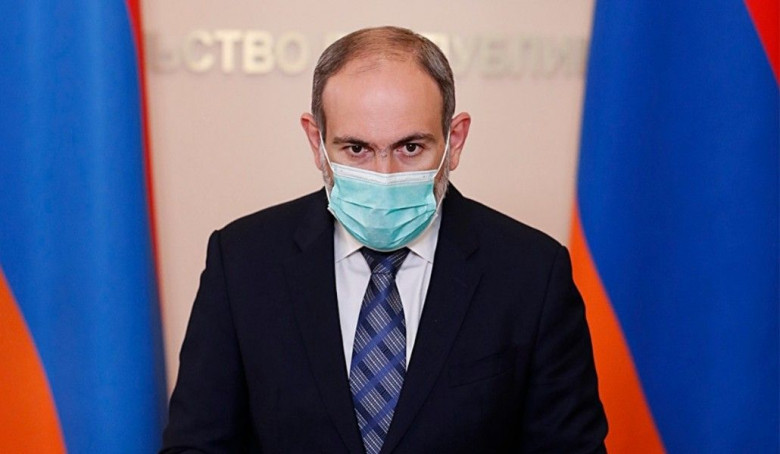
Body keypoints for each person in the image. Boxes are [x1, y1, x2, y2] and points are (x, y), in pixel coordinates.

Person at [161, 26, 607, 453]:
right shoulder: (242, 261)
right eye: (356, 149)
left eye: (410, 148)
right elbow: (196, 444)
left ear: (454, 141)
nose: (384, 176)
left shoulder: (532, 273)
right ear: (317, 142)